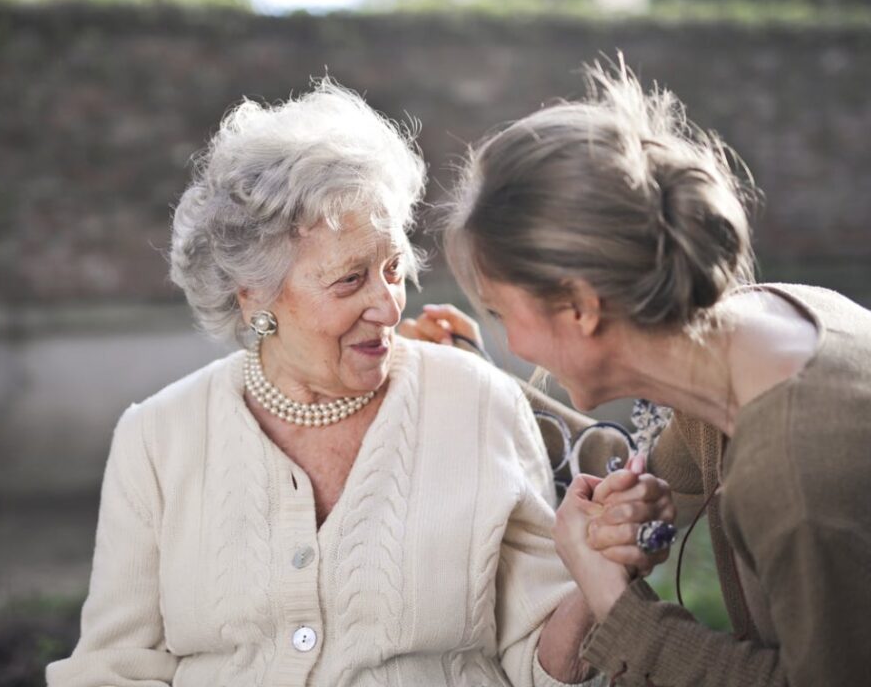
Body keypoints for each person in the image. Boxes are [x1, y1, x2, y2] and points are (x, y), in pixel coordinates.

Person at [45, 80, 671, 686]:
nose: (388, 305)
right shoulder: (157, 438)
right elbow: (114, 667)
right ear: (254, 297)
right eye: (349, 281)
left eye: (393, 267)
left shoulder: (478, 403)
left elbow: (538, 661)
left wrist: (597, 572)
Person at [430, 58, 871, 686]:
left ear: (580, 306)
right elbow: (657, 476)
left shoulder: (795, 473)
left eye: (503, 313)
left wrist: (616, 603)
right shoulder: (758, 329)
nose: (515, 344)